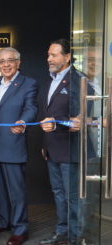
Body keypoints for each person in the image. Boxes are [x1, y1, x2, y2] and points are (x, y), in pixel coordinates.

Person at [39, 39, 94, 245]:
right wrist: (45, 144)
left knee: (73, 197)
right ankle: (62, 233)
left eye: (54, 55)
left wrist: (70, 121)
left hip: (71, 149)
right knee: (59, 194)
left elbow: (80, 117)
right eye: (48, 55)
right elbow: (48, 113)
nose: (49, 59)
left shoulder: (79, 80)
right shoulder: (51, 80)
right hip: (52, 149)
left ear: (67, 57)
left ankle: (76, 237)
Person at [0, 47, 38, 245]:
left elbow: (31, 108)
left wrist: (23, 122)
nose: (6, 65)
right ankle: (4, 221)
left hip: (13, 143)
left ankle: (20, 229)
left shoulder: (28, 84)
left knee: (16, 191)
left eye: (10, 60)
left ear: (18, 62)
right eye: (1, 61)